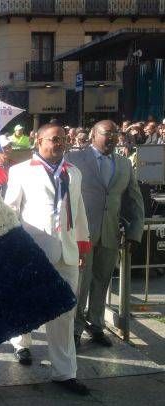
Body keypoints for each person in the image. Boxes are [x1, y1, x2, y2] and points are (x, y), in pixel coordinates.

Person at [4, 123, 91, 395]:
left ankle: (64, 373)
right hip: (35, 251)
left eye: (63, 139)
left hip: (67, 252)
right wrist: (13, 248)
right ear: (39, 141)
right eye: (54, 139)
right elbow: (10, 211)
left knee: (65, 312)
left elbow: (78, 211)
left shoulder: (73, 173)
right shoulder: (20, 172)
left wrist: (82, 246)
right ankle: (22, 343)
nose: (60, 144)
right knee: (26, 302)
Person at [66, 120, 144, 348]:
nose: (112, 137)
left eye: (115, 133)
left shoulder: (123, 164)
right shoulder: (74, 158)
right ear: (93, 135)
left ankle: (96, 325)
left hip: (110, 234)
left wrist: (134, 232)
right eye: (107, 133)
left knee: (102, 282)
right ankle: (75, 329)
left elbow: (134, 200)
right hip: (82, 234)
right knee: (81, 282)